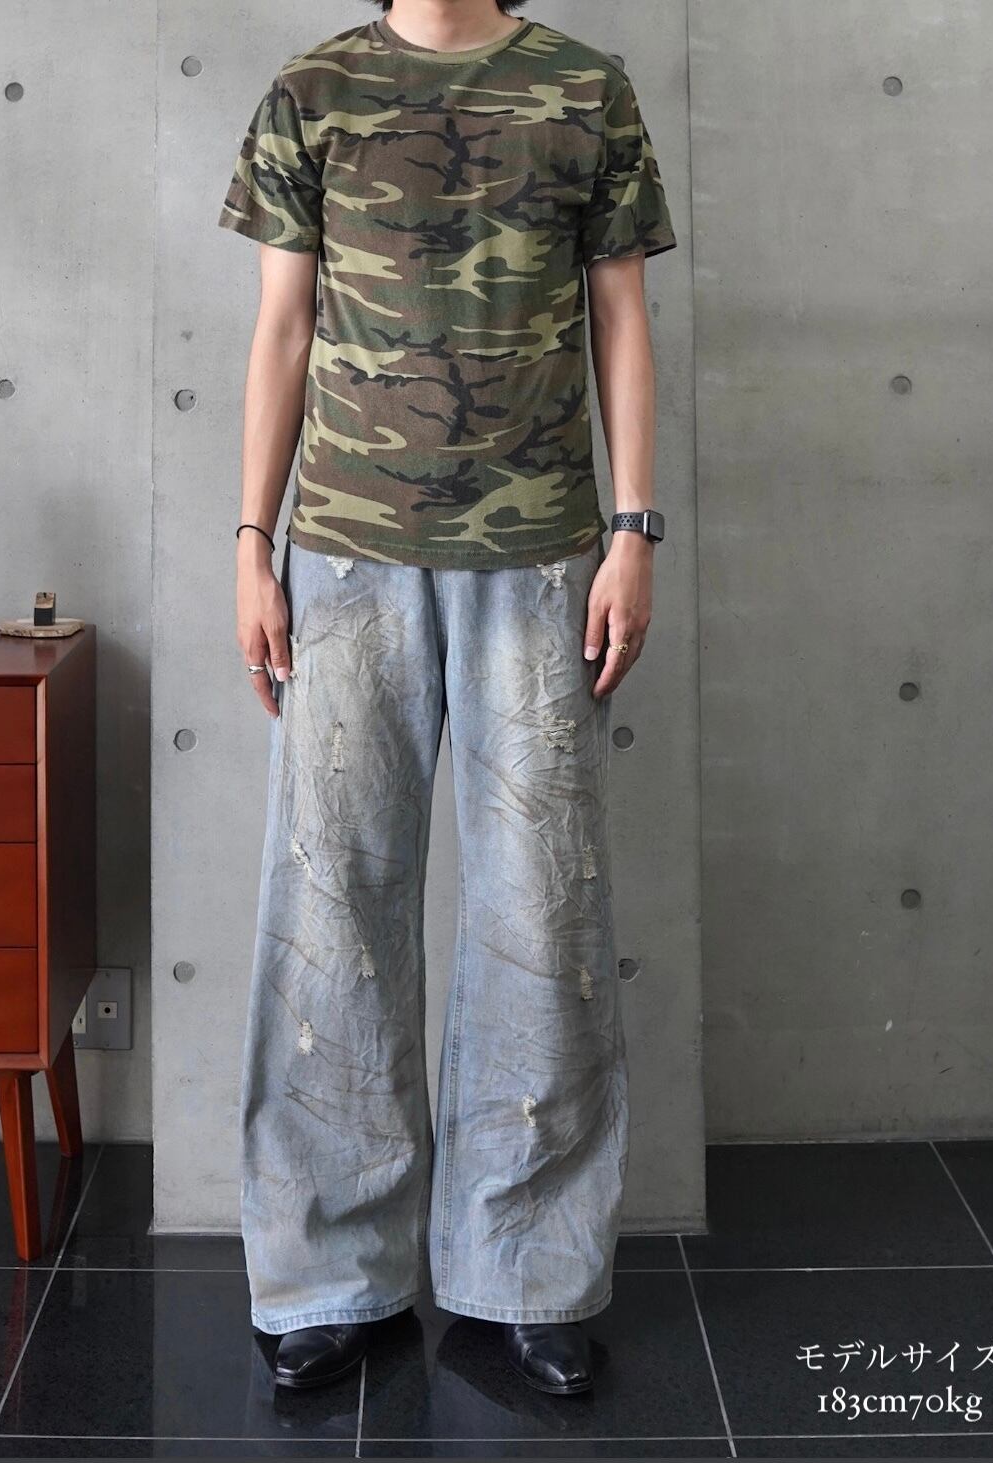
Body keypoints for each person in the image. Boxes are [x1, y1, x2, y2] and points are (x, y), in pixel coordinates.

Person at [220, 0, 676, 1396]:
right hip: (344, 558)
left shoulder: (584, 90)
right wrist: (251, 547)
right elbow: (283, 331)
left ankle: (526, 1272)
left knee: (541, 910)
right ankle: (326, 1277)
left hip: (539, 559)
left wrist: (633, 531)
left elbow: (621, 322)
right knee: (330, 906)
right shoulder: (313, 91)